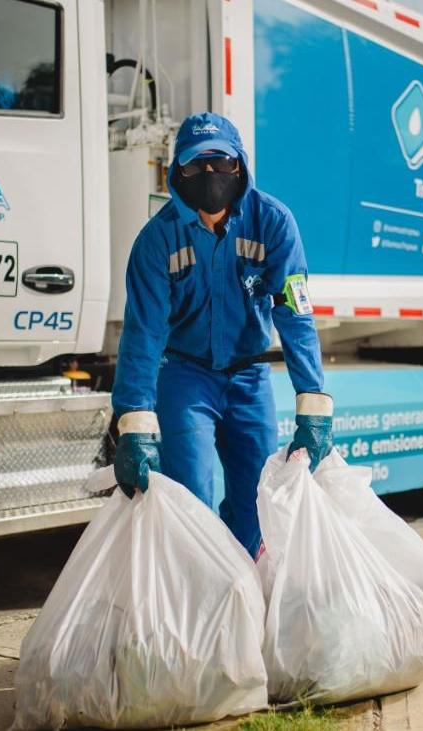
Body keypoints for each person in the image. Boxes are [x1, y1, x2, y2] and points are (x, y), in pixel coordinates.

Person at [110, 112, 332, 557]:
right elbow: (143, 333)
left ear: (240, 166)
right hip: (186, 378)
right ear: (178, 172)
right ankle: (202, 607)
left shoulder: (272, 223)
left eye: (222, 163)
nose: (210, 175)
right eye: (196, 166)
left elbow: (294, 311)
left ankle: (241, 601)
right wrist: (133, 419)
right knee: (190, 501)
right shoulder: (157, 240)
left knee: (257, 510)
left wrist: (313, 401)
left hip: (249, 380)